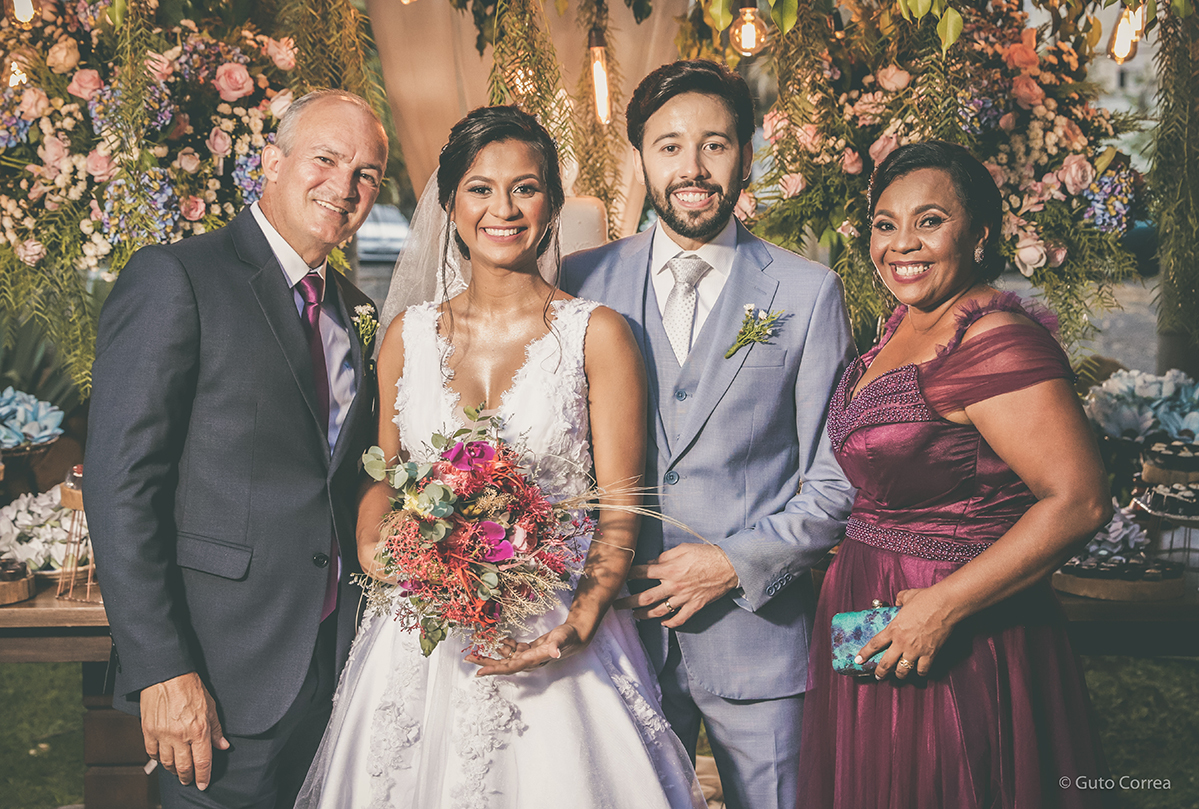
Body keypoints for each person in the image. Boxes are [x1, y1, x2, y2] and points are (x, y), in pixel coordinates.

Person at [294, 105, 704, 809]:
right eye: (481, 189)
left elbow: (620, 510)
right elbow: (382, 469)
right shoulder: (406, 335)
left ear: (551, 205)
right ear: (451, 205)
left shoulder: (597, 334)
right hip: (420, 631)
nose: (504, 209)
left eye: (526, 188)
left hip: (554, 630)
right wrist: (372, 542)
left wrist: (580, 619)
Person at [560, 60, 857, 809]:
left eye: (714, 145)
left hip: (757, 642)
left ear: (746, 156)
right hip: (616, 641)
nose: (691, 168)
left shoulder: (807, 292)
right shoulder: (578, 280)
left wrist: (731, 563)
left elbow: (835, 480)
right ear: (641, 158)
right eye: (669, 146)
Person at [85, 89, 387, 807]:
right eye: (325, 159)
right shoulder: (177, 277)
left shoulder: (357, 310)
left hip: (333, 670)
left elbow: (339, 481)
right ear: (271, 162)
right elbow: (120, 484)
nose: (344, 186)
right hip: (216, 678)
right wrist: (162, 670)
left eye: (367, 174)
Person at [798, 141, 1113, 808]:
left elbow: (1079, 501)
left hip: (959, 621)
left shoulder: (995, 338)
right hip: (872, 605)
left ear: (980, 235)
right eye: (885, 223)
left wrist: (944, 606)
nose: (902, 244)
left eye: (930, 220)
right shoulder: (901, 325)